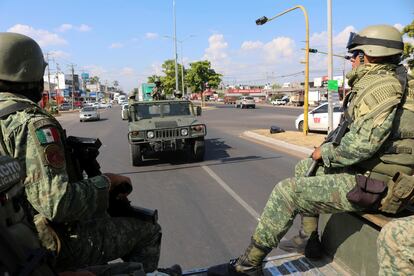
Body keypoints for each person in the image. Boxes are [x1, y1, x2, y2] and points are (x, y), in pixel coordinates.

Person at [207, 24, 413, 276]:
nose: (351, 62)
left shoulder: (379, 87)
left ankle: (247, 266)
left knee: (287, 192)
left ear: (367, 55)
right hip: (384, 178)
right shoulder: (401, 82)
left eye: (354, 56)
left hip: (380, 187)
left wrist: (324, 153)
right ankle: (309, 239)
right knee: (306, 167)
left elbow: (361, 146)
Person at [0, 32, 179, 274]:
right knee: (148, 230)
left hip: (12, 242)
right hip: (44, 242)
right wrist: (107, 182)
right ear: (30, 72)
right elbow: (57, 204)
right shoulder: (32, 123)